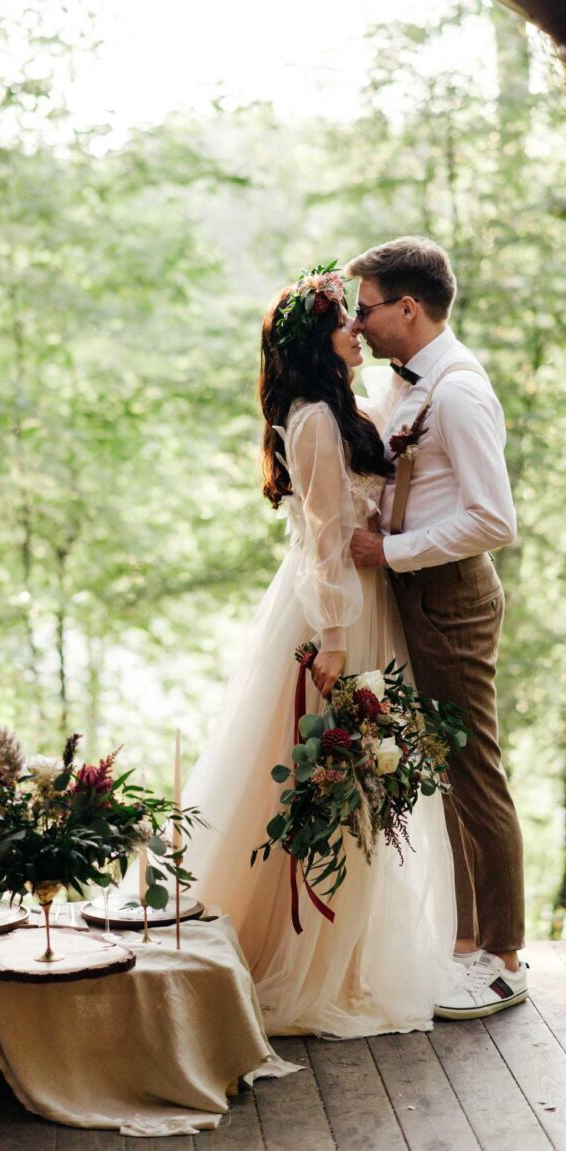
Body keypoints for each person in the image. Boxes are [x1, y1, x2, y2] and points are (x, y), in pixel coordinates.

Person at [182, 264, 456, 1038]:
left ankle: (354, 951)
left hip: (364, 606)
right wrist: (337, 639)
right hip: (332, 618)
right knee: (333, 777)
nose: (358, 330)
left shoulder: (345, 406)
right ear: (319, 341)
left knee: (363, 783)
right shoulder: (311, 420)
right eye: (346, 320)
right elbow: (327, 545)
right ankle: (304, 955)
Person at [345, 236, 526, 1019]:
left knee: (475, 772)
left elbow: (493, 518)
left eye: (369, 307)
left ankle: (506, 956)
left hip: (453, 597)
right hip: (419, 594)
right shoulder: (411, 387)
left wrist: (393, 551)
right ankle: (464, 941)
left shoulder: (456, 392)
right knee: (446, 771)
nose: (362, 322)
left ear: (408, 308)